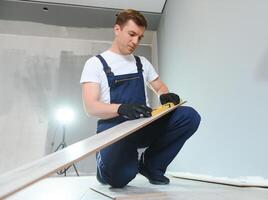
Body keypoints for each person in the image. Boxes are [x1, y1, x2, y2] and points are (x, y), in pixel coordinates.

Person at [80, 9, 201, 188]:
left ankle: (152, 165)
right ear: (117, 29)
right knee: (119, 179)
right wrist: (121, 108)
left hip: (142, 124)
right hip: (114, 131)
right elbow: (90, 107)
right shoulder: (95, 64)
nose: (135, 41)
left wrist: (164, 95)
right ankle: (105, 168)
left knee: (189, 116)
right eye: (132, 34)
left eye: (140, 37)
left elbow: (159, 87)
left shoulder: (141, 62)